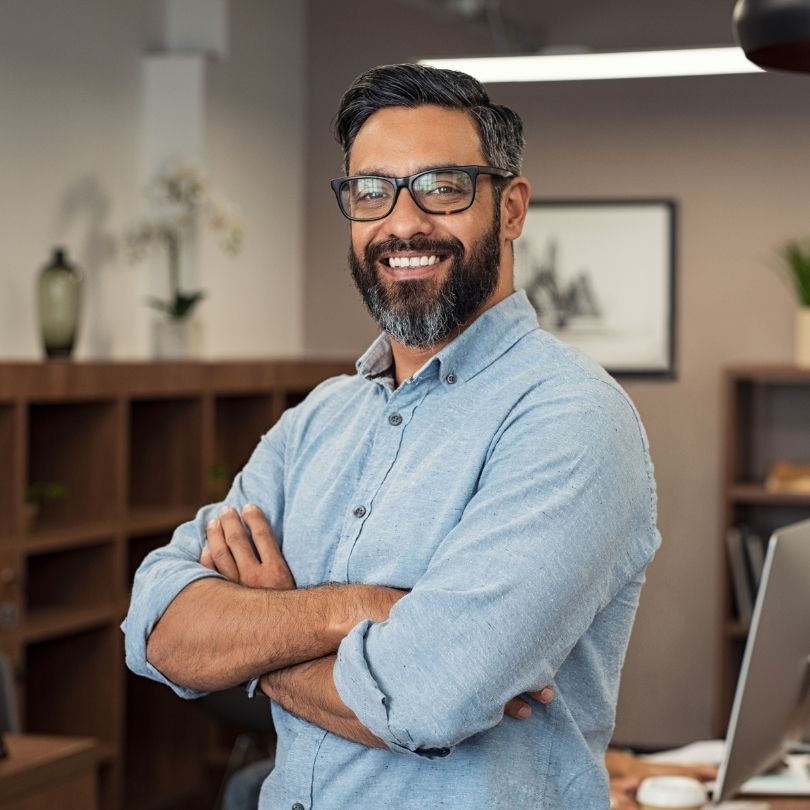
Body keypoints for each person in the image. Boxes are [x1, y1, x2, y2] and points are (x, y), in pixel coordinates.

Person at [123, 63, 661, 809]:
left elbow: (424, 700)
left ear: (510, 208)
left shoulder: (570, 419)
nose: (403, 223)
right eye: (372, 191)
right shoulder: (316, 422)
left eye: (442, 186)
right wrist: (361, 608)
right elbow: (156, 628)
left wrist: (255, 637)